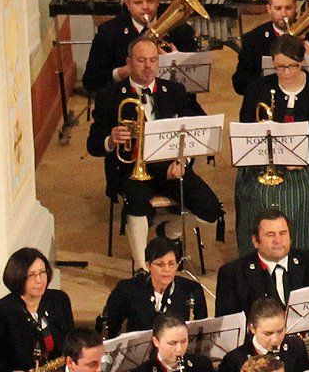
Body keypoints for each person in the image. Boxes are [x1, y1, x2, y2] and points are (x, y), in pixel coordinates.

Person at [88, 36, 223, 262]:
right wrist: (110, 140)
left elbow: (196, 133)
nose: (148, 66)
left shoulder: (176, 91)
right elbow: (92, 145)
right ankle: (142, 267)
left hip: (171, 168)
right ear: (129, 62)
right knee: (137, 204)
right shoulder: (109, 96)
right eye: (141, 60)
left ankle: (170, 230)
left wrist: (183, 161)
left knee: (211, 209)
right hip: (130, 171)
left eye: (153, 60)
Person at [236, 36, 309, 274]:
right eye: (280, 67)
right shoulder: (258, 88)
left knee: (308, 195)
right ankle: (259, 265)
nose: (286, 72)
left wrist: (302, 156)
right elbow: (247, 129)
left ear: (302, 62)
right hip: (266, 163)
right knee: (259, 193)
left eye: (292, 66)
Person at [81, 0, 198, 97]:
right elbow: (90, 81)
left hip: (170, 99)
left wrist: (176, 60)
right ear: (127, 4)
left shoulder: (180, 29)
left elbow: (195, 79)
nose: (145, 7)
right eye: (138, 3)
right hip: (126, 99)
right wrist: (121, 73)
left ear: (158, 0)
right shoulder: (109, 32)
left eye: (150, 1)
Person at [0, 248, 77, 372]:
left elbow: (71, 342)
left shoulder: (59, 300)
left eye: (42, 272)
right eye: (31, 275)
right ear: (17, 277)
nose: (39, 280)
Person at [214, 208, 309, 318]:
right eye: (270, 235)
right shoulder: (233, 274)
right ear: (255, 241)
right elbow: (228, 327)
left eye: (283, 233)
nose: (278, 240)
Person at [100, 237, 208, 338]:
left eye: (171, 264)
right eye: (160, 264)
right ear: (148, 265)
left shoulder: (192, 290)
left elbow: (201, 333)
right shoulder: (127, 289)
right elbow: (109, 329)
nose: (167, 269)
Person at [233, 0, 309, 86]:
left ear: (295, 7)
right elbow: (239, 84)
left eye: (288, 8)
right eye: (278, 8)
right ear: (269, 9)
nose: (284, 14)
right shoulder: (253, 39)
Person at [216, 299, 309, 372]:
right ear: (252, 328)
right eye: (268, 333)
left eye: (280, 331)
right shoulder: (234, 361)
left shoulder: (296, 346)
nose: (275, 339)